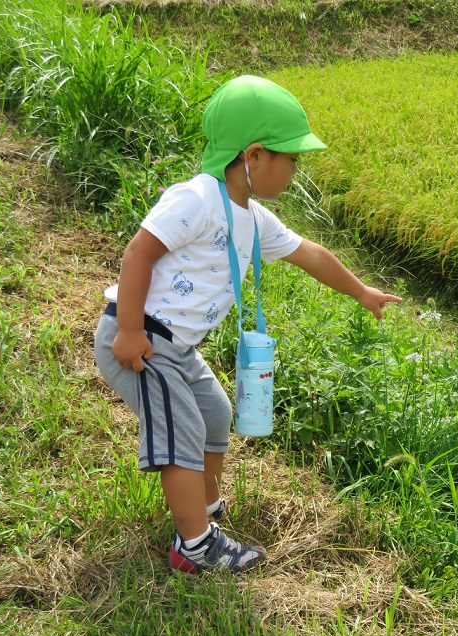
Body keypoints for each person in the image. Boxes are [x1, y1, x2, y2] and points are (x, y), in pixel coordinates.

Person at [94, 75, 402, 575]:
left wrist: (361, 291)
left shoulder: (253, 217)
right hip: (141, 338)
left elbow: (311, 254)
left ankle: (203, 510)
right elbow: (138, 254)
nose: (296, 171)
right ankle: (194, 547)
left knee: (215, 414)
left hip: (178, 346)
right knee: (182, 432)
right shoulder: (196, 198)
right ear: (254, 156)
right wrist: (129, 330)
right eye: (292, 159)